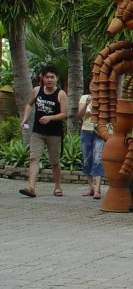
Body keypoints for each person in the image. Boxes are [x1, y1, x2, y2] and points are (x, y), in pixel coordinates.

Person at [19, 66, 69, 198]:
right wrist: (24, 119)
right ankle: (31, 187)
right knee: (34, 158)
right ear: (43, 78)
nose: (49, 80)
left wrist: (50, 118)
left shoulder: (61, 94)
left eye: (52, 77)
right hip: (37, 132)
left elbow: (64, 114)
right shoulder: (36, 90)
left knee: (55, 162)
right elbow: (29, 104)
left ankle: (57, 187)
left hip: (54, 133)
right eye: (47, 77)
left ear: (56, 78)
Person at [78, 93, 102, 199]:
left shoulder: (104, 96)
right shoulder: (85, 97)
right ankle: (90, 187)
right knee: (87, 159)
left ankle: (97, 189)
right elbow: (80, 114)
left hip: (100, 131)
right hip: (86, 130)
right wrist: (87, 103)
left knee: (98, 158)